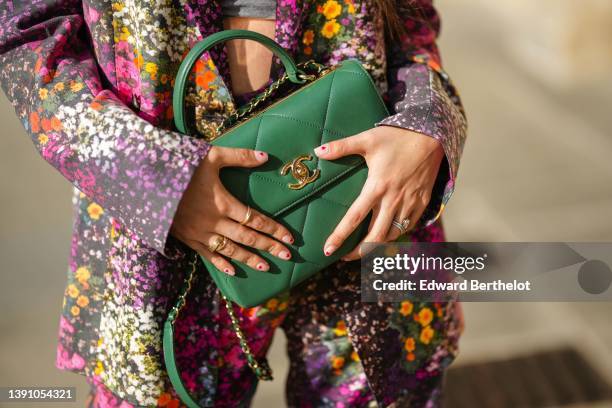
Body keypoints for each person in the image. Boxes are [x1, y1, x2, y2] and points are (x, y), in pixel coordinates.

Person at [0, 0, 467, 406]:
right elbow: (28, 35)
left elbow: (412, 24)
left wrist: (425, 126)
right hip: (161, 239)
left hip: (374, 202)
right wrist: (154, 176)